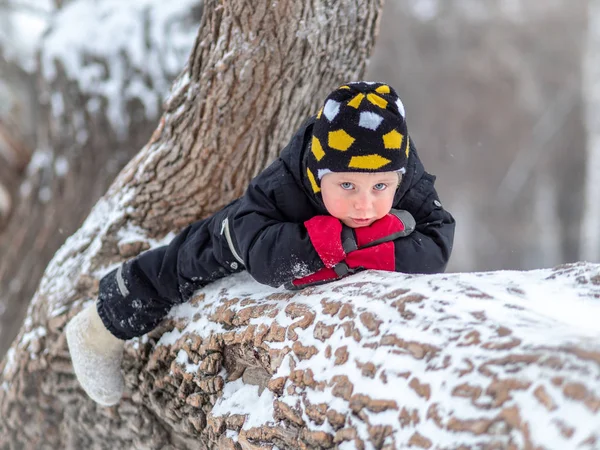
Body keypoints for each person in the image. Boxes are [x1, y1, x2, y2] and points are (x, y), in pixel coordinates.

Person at [66, 81, 455, 406]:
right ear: (320, 175)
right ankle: (102, 325)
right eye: (347, 186)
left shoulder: (400, 171)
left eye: (381, 188)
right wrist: (341, 242)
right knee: (193, 254)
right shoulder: (286, 183)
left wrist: (365, 248)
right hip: (267, 226)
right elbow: (266, 259)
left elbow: (436, 243)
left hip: (326, 227)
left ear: (398, 178)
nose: (364, 203)